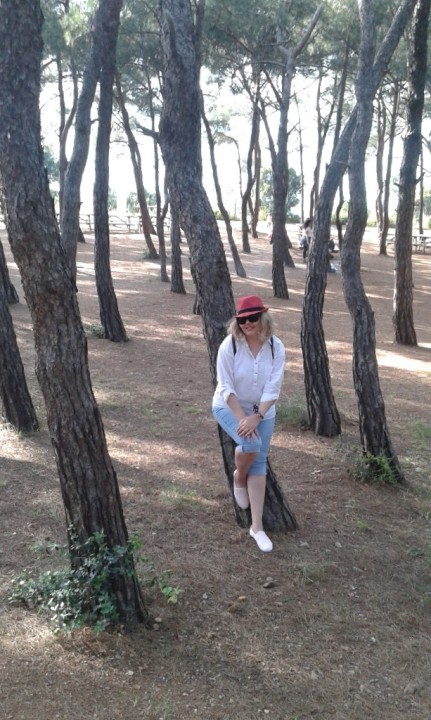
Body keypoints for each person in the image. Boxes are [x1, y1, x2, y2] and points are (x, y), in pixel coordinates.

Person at [212, 295, 286, 552]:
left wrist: (257, 416)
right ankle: (239, 476)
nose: (248, 323)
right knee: (251, 445)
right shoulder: (229, 346)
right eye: (242, 319)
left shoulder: (276, 347)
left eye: (253, 317)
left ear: (263, 318)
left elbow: (273, 387)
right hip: (228, 407)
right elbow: (225, 386)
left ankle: (257, 527)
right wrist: (243, 419)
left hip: (262, 411)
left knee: (259, 460)